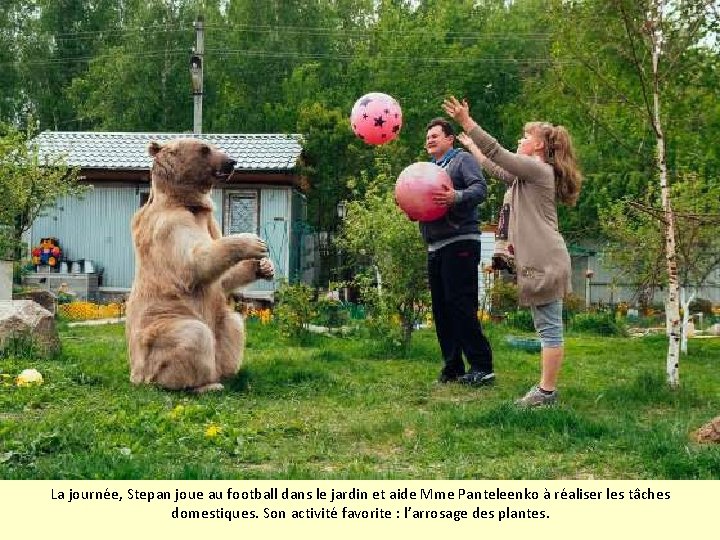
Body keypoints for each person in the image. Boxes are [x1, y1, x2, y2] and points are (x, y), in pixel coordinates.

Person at [442, 96, 582, 407]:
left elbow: (498, 153)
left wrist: (467, 122)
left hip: (545, 259)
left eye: (526, 137)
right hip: (543, 258)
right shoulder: (527, 175)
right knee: (546, 326)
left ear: (539, 148)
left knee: (549, 329)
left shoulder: (537, 170)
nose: (521, 140)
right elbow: (496, 166)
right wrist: (473, 148)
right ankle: (546, 391)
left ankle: (546, 393)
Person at [422, 117, 494, 385]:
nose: (430, 139)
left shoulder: (461, 160)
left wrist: (456, 197)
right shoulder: (427, 169)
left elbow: (480, 189)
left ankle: (482, 366)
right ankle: (452, 366)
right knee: (441, 308)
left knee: (461, 304)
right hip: (435, 245)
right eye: (428, 136)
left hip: (460, 241)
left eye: (435, 135)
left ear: (450, 139)